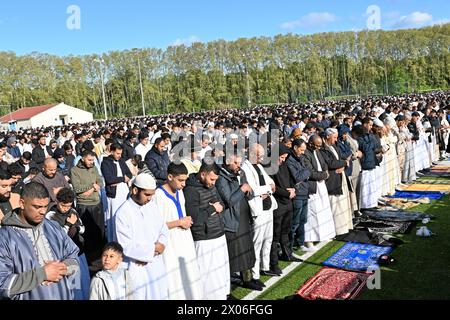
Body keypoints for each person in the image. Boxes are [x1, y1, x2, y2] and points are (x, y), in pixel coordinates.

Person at [0, 182, 79, 300]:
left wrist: (63, 267)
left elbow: (74, 256)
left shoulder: (54, 227)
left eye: (45, 206)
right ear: (22, 203)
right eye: (37, 207)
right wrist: (42, 274)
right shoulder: (5, 237)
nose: (43, 211)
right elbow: (2, 285)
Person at [114, 173, 169, 300]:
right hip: (137, 267)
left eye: (152, 195)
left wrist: (161, 244)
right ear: (134, 190)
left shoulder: (152, 206)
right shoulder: (123, 213)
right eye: (147, 195)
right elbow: (125, 246)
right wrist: (152, 250)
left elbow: (163, 229)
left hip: (156, 264)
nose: (149, 198)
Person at [154, 163, 204, 300]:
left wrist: (185, 221)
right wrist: (179, 222)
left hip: (185, 240)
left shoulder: (180, 192)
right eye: (180, 180)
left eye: (185, 180)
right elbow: (155, 226)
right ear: (170, 177)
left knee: (189, 273)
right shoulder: (158, 196)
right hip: (170, 244)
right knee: (174, 277)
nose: (183, 184)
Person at [184, 163, 230, 300]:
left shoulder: (210, 186)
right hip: (204, 239)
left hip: (218, 233)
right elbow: (194, 218)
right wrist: (211, 209)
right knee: (208, 279)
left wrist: (215, 207)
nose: (213, 183)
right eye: (212, 179)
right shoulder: (191, 190)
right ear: (202, 174)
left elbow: (221, 204)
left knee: (219, 275)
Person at [216, 152, 261, 291]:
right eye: (235, 163)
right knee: (233, 255)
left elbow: (250, 191)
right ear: (227, 161)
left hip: (244, 217)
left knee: (247, 251)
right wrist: (242, 189)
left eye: (240, 163)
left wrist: (246, 190)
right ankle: (226, 289)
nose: (238, 166)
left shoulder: (240, 173)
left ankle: (247, 279)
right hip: (232, 221)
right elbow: (229, 200)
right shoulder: (220, 177)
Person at [241, 144, 278, 282]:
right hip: (258, 209)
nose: (262, 158)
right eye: (259, 155)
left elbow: (271, 183)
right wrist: (267, 189)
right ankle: (254, 274)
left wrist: (267, 189)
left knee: (268, 239)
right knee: (257, 242)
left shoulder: (259, 166)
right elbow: (253, 190)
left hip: (268, 206)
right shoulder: (245, 168)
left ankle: (265, 267)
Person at [46, 187, 90, 300]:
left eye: (68, 206)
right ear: (57, 202)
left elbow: (83, 229)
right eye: (63, 205)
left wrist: (75, 226)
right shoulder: (51, 216)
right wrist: (68, 225)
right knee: (71, 286)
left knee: (83, 283)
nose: (66, 209)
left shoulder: (73, 211)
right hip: (64, 257)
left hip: (79, 252)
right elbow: (57, 238)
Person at [71, 150, 105, 270]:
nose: (91, 162)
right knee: (87, 234)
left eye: (93, 160)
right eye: (89, 160)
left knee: (98, 231)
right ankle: (89, 262)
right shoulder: (74, 170)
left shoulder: (94, 167)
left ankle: (100, 258)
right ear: (83, 158)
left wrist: (94, 187)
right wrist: (92, 187)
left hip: (96, 203)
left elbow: (100, 180)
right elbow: (77, 188)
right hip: (83, 206)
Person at [270, 144, 301, 273]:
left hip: (288, 203)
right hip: (278, 205)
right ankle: (274, 263)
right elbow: (273, 188)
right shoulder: (270, 167)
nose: (283, 160)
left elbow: (292, 180)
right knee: (275, 235)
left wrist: (294, 190)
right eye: (281, 157)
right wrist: (287, 193)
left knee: (286, 231)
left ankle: (287, 253)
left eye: (284, 157)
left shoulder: (284, 165)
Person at [303, 135, 335, 251]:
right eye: (317, 145)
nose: (318, 148)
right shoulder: (306, 153)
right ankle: (309, 240)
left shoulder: (317, 151)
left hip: (321, 185)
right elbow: (310, 173)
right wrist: (324, 175)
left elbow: (324, 164)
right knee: (312, 213)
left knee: (323, 211)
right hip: (313, 187)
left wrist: (325, 173)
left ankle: (323, 235)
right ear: (311, 143)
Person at [321, 128, 353, 236]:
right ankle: (335, 230)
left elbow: (341, 158)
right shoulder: (322, 149)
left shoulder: (335, 146)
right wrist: (344, 163)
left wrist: (343, 165)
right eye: (334, 137)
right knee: (334, 205)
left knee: (342, 204)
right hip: (332, 181)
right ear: (327, 137)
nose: (335, 140)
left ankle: (343, 228)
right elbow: (330, 163)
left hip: (340, 177)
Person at [101, 143, 132, 242]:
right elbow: (109, 179)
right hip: (114, 194)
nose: (119, 155)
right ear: (112, 151)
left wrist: (119, 180)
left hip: (124, 192)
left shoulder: (122, 161)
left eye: (120, 153)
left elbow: (129, 174)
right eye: (117, 153)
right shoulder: (105, 162)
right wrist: (123, 179)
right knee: (114, 216)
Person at [286, 138, 311, 253]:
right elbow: (297, 177)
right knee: (294, 222)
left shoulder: (301, 157)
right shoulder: (290, 160)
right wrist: (306, 172)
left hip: (305, 192)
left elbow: (308, 169)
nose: (303, 152)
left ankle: (300, 242)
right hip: (298, 194)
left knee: (303, 220)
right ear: (295, 148)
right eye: (301, 150)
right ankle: (289, 246)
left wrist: (305, 172)